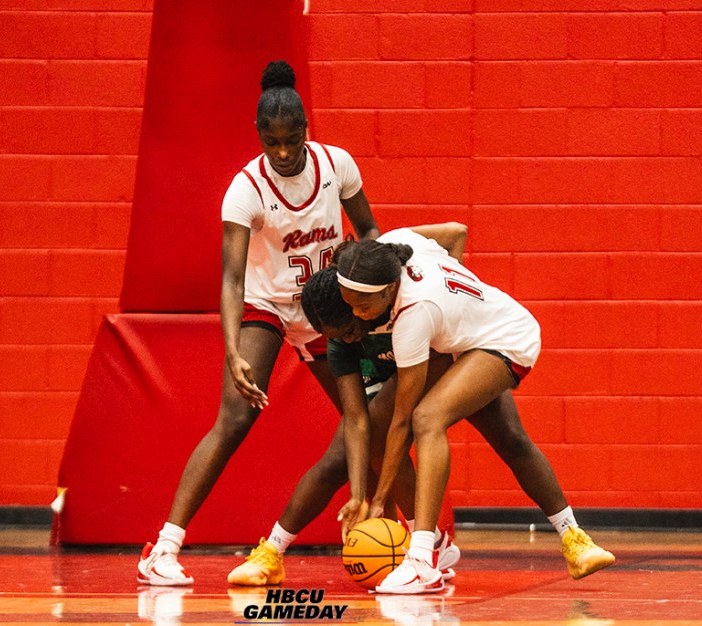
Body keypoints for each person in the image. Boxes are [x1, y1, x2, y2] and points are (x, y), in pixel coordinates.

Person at [137, 60, 379, 586]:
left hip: (324, 310)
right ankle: (162, 549)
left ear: (306, 131)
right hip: (266, 306)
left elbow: (371, 233)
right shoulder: (245, 188)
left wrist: (362, 293)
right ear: (259, 137)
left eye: (293, 139)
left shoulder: (337, 166)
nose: (285, 152)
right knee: (235, 419)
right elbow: (230, 278)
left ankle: (426, 542)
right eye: (274, 143)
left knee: (372, 420)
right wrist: (231, 350)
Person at [335, 228, 615, 594]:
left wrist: (378, 502)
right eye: (349, 303)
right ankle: (574, 541)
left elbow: (404, 421)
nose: (356, 314)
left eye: (363, 306)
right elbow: (455, 232)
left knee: (426, 418)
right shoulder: (393, 245)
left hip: (506, 337)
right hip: (463, 341)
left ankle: (422, 560)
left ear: (389, 289)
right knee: (507, 440)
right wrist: (460, 298)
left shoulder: (413, 314)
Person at [226, 224, 469, 587]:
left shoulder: (386, 290)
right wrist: (357, 497)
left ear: (358, 305)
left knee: (502, 435)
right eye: (334, 337)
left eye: (348, 330)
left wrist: (456, 289)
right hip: (385, 385)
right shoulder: (340, 338)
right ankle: (272, 552)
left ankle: (429, 542)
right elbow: (355, 419)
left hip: (437, 361)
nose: (346, 339)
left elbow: (454, 231)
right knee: (340, 458)